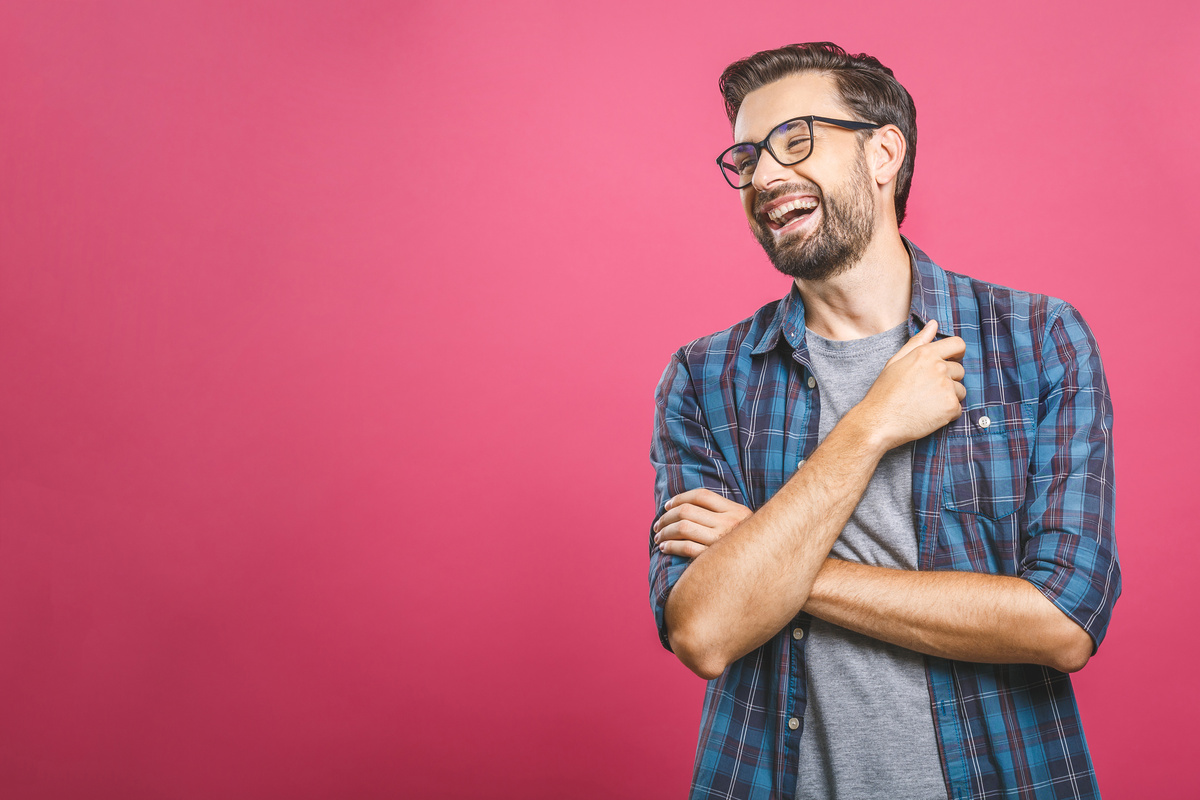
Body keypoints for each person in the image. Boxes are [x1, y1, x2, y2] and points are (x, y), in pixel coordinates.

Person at [647, 42, 1119, 800]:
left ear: (883, 152)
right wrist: (869, 425)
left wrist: (766, 560)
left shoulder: (1035, 341)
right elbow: (705, 632)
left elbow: (1062, 623)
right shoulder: (706, 379)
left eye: (794, 140)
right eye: (747, 157)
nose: (764, 176)